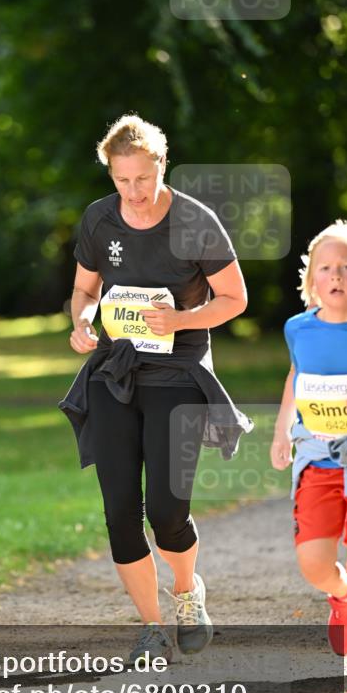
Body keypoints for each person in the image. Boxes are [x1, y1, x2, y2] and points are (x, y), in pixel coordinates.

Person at [59, 114, 252, 664]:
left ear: (160, 166)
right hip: (114, 375)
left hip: (178, 376)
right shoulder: (99, 219)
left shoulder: (196, 221)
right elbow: (83, 288)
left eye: (142, 179)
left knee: (166, 512)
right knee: (120, 508)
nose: (133, 192)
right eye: (122, 181)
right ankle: (150, 626)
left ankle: (188, 594)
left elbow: (234, 299)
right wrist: (82, 322)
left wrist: (182, 320)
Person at [270, 219, 347, 693]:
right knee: (314, 562)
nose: (337, 275)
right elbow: (296, 377)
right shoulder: (297, 329)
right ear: (311, 281)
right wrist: (282, 427)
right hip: (318, 458)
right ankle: (343, 599)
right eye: (326, 267)